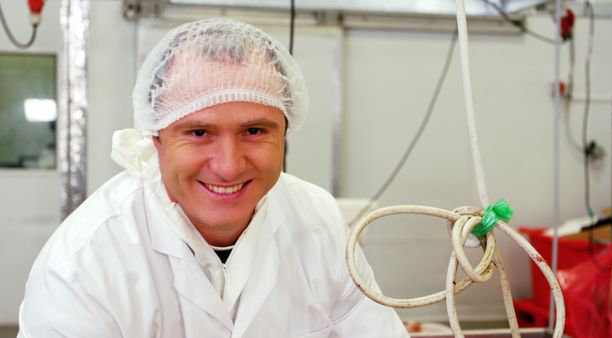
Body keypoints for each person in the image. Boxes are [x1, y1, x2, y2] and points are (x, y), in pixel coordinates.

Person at [18, 18, 408, 337]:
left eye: (254, 131)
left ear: (285, 132)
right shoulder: (85, 265)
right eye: (199, 132)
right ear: (156, 137)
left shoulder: (318, 220)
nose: (228, 165)